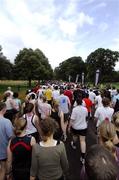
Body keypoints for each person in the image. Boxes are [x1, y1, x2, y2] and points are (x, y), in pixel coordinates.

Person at [69, 97, 88, 164]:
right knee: (82, 141)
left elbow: (72, 120)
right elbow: (86, 117)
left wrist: (69, 127)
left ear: (76, 102)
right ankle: (83, 157)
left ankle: (74, 144)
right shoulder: (85, 109)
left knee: (75, 137)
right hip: (83, 127)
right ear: (82, 102)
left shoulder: (74, 109)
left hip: (75, 127)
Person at [0, 102, 13, 180]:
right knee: (3, 169)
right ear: (4, 109)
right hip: (3, 150)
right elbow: (11, 136)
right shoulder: (6, 121)